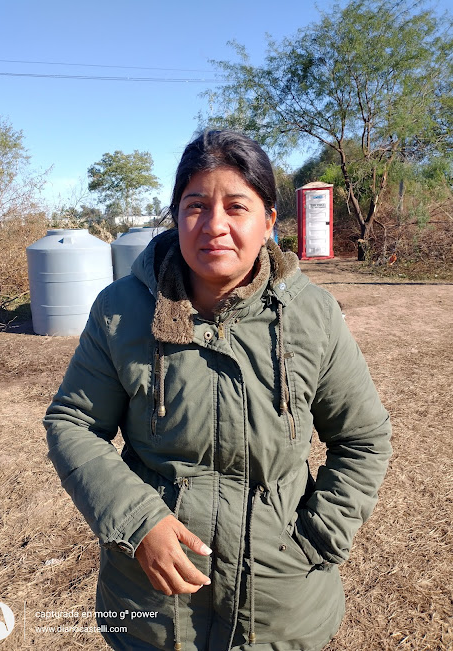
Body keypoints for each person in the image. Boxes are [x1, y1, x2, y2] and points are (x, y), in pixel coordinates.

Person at [44, 129, 392, 651]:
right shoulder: (121, 311)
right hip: (152, 607)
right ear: (176, 215)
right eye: (196, 206)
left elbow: (363, 438)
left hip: (281, 605)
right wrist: (138, 522)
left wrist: (317, 538)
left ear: (269, 220)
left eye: (236, 206)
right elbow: (73, 423)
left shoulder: (313, 315)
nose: (214, 225)